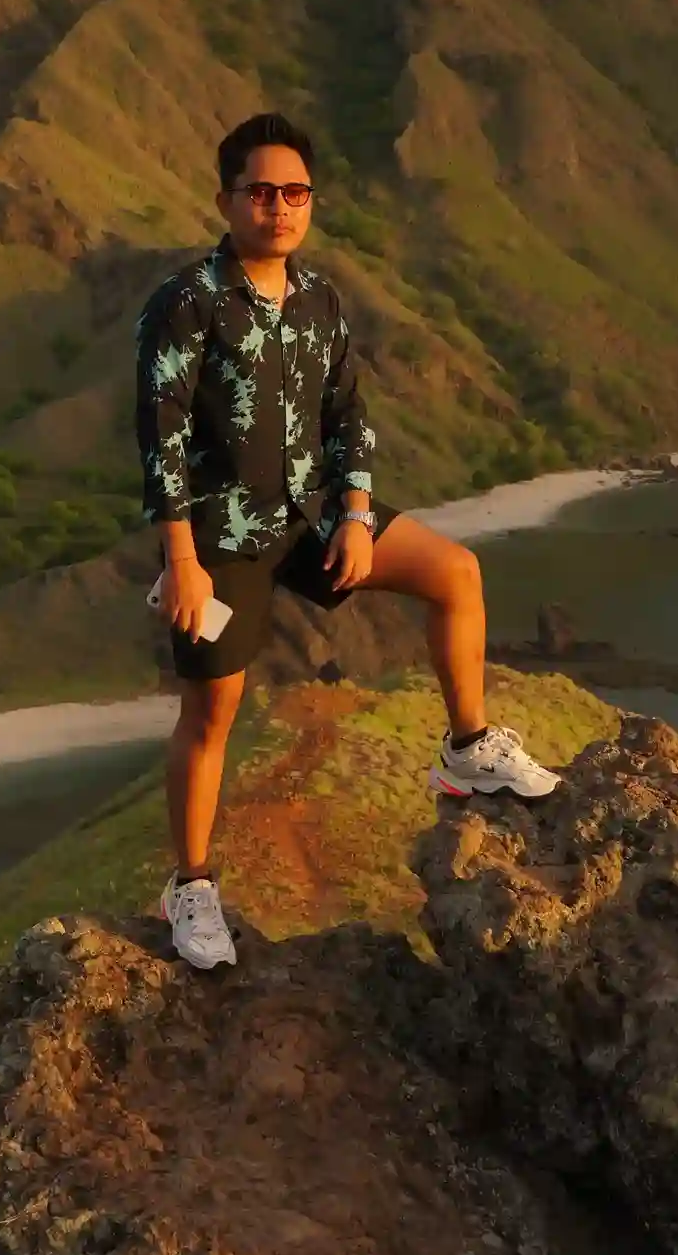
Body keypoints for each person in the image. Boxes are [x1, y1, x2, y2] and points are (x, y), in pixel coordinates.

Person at [135, 112, 560, 972]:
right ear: (226, 199)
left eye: (296, 192)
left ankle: (467, 749)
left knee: (455, 572)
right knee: (212, 714)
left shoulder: (321, 299)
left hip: (308, 515)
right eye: (262, 191)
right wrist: (179, 560)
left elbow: (348, 415)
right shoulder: (186, 304)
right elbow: (161, 435)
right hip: (220, 538)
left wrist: (358, 513)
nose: (280, 207)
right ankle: (192, 886)